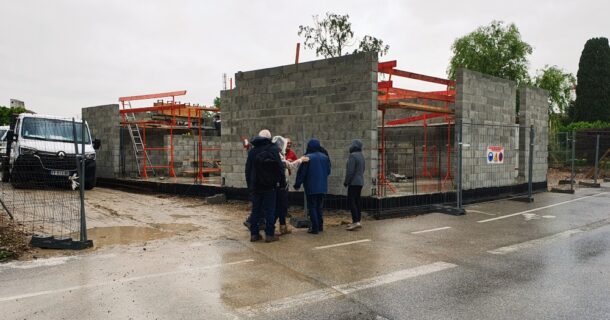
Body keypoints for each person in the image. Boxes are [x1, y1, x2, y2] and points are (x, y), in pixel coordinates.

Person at [245, 129, 286, 242]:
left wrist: (250, 186)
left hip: (256, 186)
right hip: (270, 186)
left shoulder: (252, 152)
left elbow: (248, 170)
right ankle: (269, 235)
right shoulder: (273, 149)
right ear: (269, 138)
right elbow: (280, 168)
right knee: (270, 210)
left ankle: (254, 235)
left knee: (256, 211)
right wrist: (282, 184)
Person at [272, 136, 309, 236]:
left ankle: (282, 226)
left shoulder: (279, 154)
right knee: (280, 207)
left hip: (283, 184)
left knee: (282, 207)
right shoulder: (277, 155)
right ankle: (270, 227)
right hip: (280, 185)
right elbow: (290, 165)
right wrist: (301, 160)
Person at [294, 139, 331, 234]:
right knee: (319, 206)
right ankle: (320, 226)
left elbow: (302, 173)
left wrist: (297, 184)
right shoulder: (325, 157)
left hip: (311, 186)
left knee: (312, 207)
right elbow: (328, 171)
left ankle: (314, 227)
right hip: (322, 187)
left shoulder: (307, 158)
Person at [344, 139, 365, 231]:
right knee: (357, 201)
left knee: (351, 201)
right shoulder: (361, 155)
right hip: (360, 181)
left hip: (353, 182)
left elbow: (350, 171)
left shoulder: (352, 156)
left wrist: (346, 181)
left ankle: (355, 221)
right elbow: (363, 169)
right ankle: (357, 221)